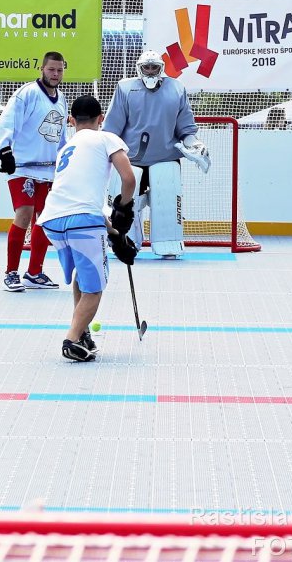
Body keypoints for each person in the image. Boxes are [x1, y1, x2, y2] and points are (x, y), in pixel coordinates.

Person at [38, 95, 138, 361]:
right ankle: (71, 340)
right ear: (101, 118)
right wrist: (123, 208)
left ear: (71, 121)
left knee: (83, 277)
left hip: (52, 222)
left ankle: (82, 333)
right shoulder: (106, 138)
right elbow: (129, 179)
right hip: (82, 222)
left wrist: (115, 235)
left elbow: (79, 202)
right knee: (94, 288)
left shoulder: (65, 149)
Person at [102, 50, 210, 259]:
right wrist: (106, 154)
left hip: (166, 158)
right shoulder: (125, 88)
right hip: (130, 160)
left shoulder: (177, 88)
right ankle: (124, 241)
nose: (150, 71)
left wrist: (195, 144)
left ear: (161, 69)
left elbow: (186, 129)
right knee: (126, 203)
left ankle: (168, 244)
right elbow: (112, 128)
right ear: (139, 68)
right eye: (147, 67)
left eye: (154, 67)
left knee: (166, 202)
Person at [0, 51, 68, 291]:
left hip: (48, 170)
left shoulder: (62, 99)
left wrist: (65, 160)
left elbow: (61, 137)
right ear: (42, 69)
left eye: (59, 70)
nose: (55, 74)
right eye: (51, 69)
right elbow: (7, 121)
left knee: (45, 219)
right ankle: (11, 273)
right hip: (22, 168)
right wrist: (5, 150)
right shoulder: (26, 93)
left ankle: (34, 273)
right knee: (24, 214)